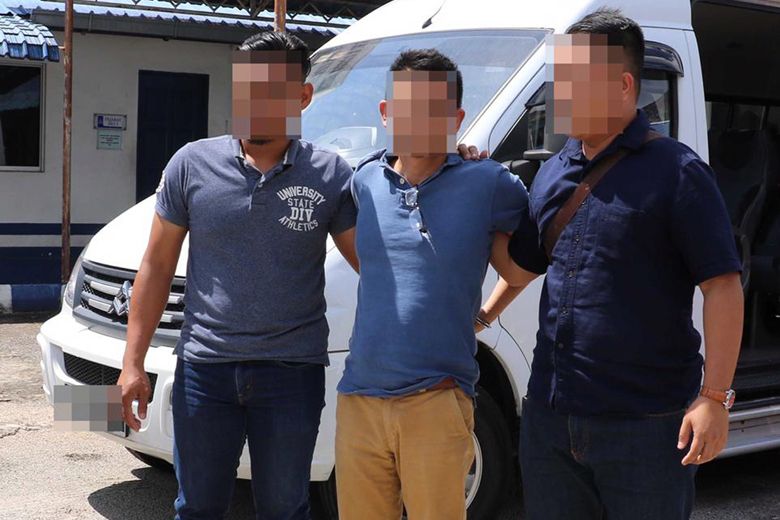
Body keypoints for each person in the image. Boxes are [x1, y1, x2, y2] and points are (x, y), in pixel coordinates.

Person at [488, 9, 744, 519]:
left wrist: (714, 398)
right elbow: (520, 268)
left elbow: (722, 285)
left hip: (647, 424)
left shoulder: (678, 172)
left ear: (624, 85)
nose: (560, 94)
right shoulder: (553, 171)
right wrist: (477, 187)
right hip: (551, 417)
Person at [116, 31, 358, 520]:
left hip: (291, 374)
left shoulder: (331, 175)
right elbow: (156, 266)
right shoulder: (191, 164)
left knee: (284, 509)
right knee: (197, 508)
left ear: (302, 96)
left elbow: (373, 262)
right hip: (204, 370)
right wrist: (132, 363)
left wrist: (446, 161)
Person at [334, 49, 538, 520]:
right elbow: (368, 262)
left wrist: (486, 314)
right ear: (386, 113)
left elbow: (522, 267)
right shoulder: (364, 181)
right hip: (359, 398)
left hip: (437, 398)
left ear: (457, 118)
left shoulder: (489, 183)